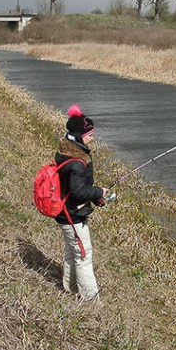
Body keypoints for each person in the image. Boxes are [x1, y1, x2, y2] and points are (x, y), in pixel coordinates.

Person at [54, 104, 114, 302]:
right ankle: (91, 301)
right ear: (79, 135)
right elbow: (78, 191)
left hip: (66, 212)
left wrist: (97, 197)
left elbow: (77, 188)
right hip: (72, 215)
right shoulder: (76, 162)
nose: (92, 137)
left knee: (72, 253)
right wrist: (99, 192)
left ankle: (69, 289)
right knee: (84, 256)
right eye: (89, 134)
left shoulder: (68, 151)